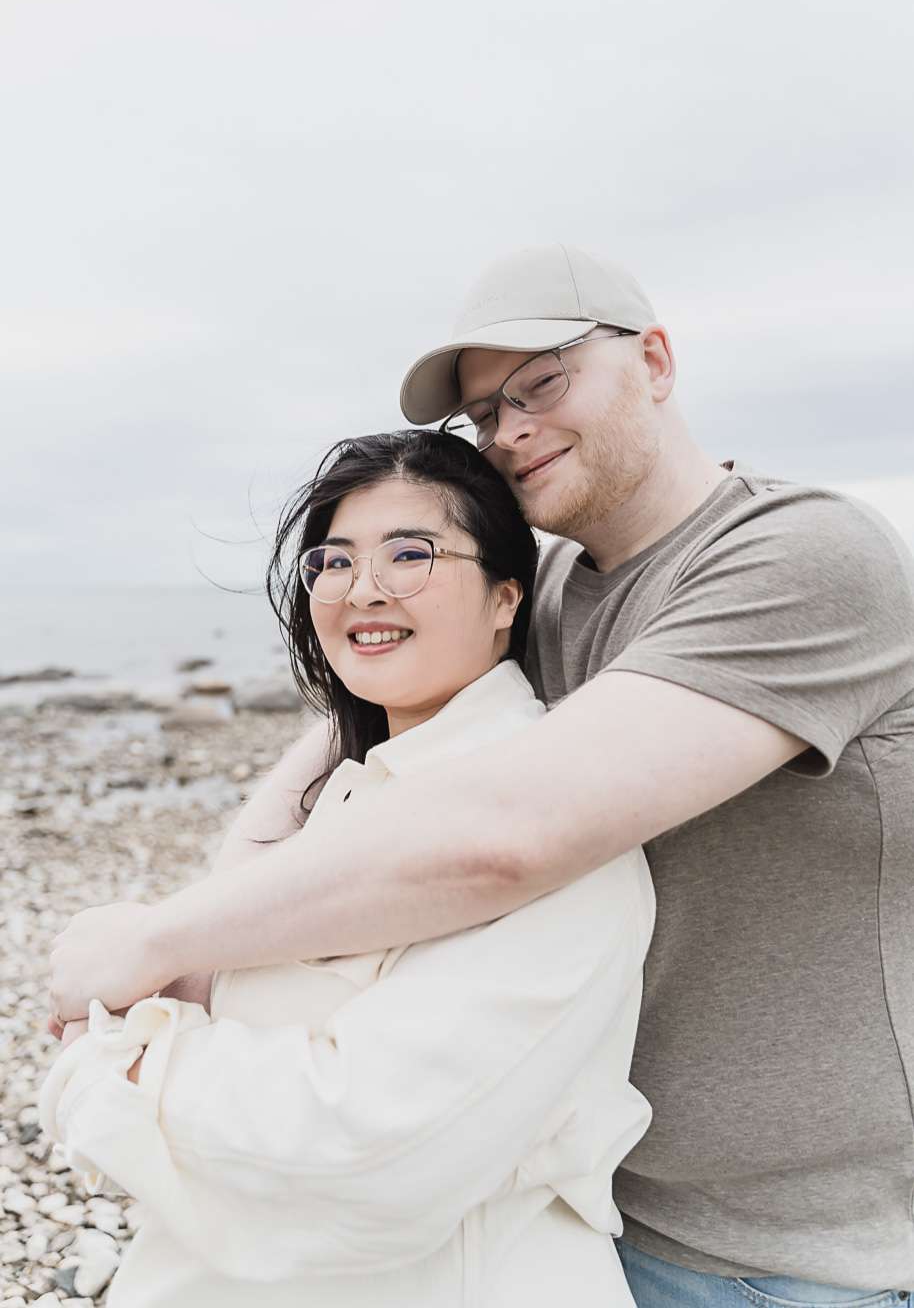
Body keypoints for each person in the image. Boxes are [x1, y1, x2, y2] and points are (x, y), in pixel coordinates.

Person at [48, 245, 914, 1303]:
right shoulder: (547, 586)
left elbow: (509, 838)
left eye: (540, 383)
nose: (507, 430)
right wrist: (202, 946)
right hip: (574, 1198)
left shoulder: (798, 556)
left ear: (652, 359)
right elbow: (343, 733)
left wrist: (153, 944)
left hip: (790, 1247)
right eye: (483, 413)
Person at [41, 430, 654, 1308]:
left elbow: (364, 1152)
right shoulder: (353, 793)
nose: (363, 588)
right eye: (334, 559)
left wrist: (113, 1059)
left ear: (505, 598)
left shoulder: (554, 834)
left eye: (412, 552)